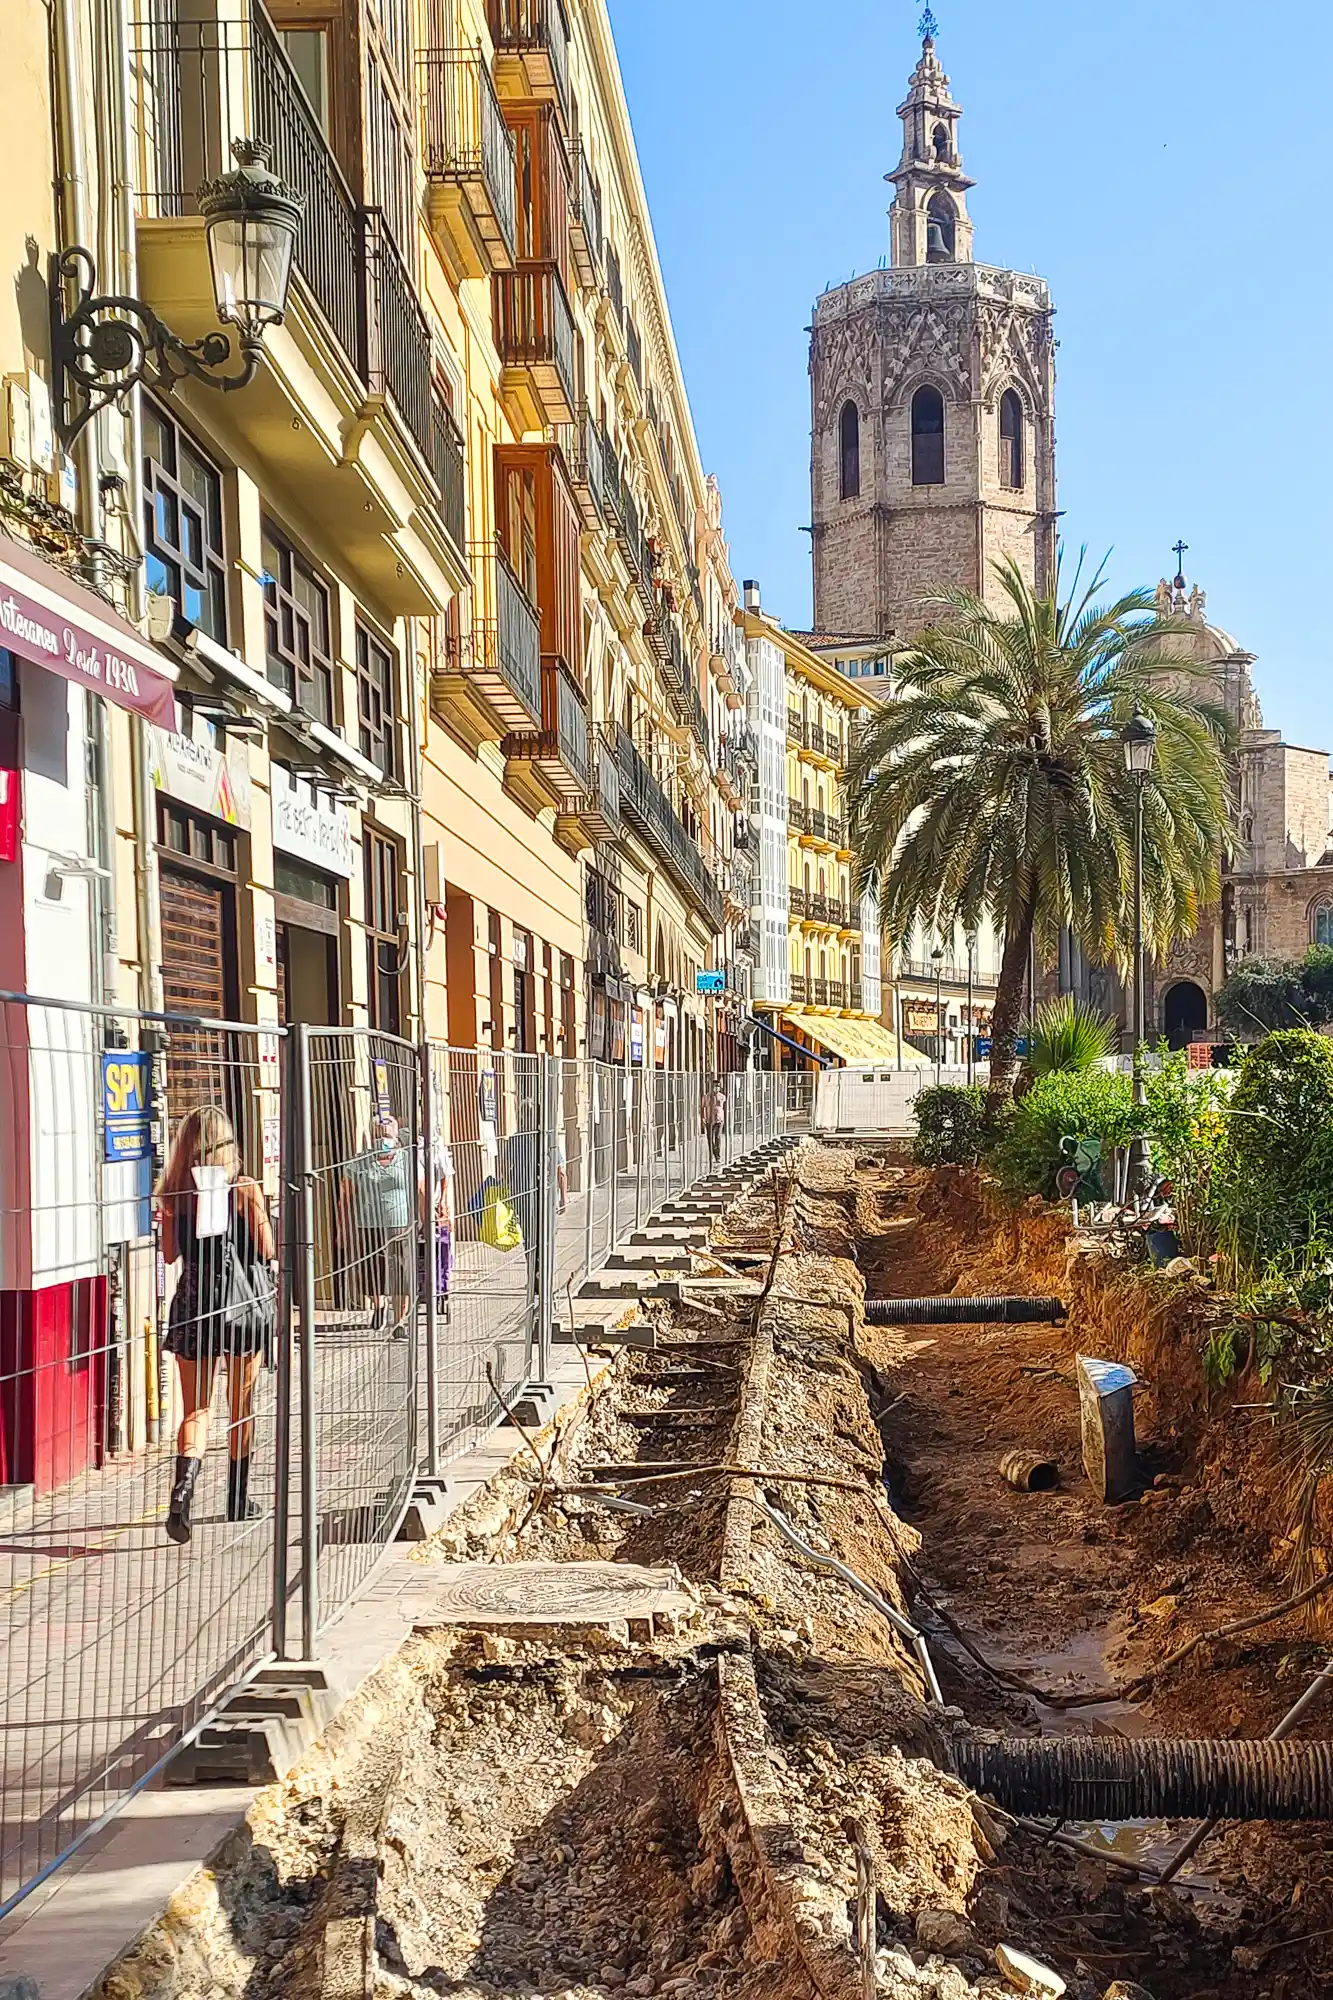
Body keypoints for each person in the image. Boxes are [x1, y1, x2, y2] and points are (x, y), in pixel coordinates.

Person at [158, 1106, 276, 1544]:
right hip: (240, 1306)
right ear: (228, 1144)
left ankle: (182, 1496)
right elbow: (265, 1248)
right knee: (240, 1402)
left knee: (196, 1409)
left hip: (193, 1305)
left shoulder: (173, 1193)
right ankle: (237, 1498)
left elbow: (170, 1255)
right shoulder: (243, 1188)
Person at [340, 1113, 415, 1338]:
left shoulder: (407, 1160)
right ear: (372, 1136)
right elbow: (345, 1197)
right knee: (373, 1272)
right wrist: (343, 1228)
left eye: (388, 1132)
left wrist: (425, 1218)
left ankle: (399, 1321)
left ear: (396, 1135)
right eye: (379, 1133)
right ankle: (379, 1305)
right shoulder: (359, 1162)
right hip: (369, 1225)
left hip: (400, 1225)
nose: (384, 1137)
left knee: (401, 1272)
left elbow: (420, 1189)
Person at [701, 1077, 725, 1166]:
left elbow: (724, 1107)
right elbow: (702, 1107)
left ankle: (718, 1155)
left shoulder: (722, 1097)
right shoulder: (706, 1097)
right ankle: (712, 1154)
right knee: (710, 1138)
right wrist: (703, 1118)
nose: (716, 1088)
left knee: (717, 1137)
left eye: (718, 1086)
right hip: (709, 1120)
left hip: (719, 1119)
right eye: (715, 1086)